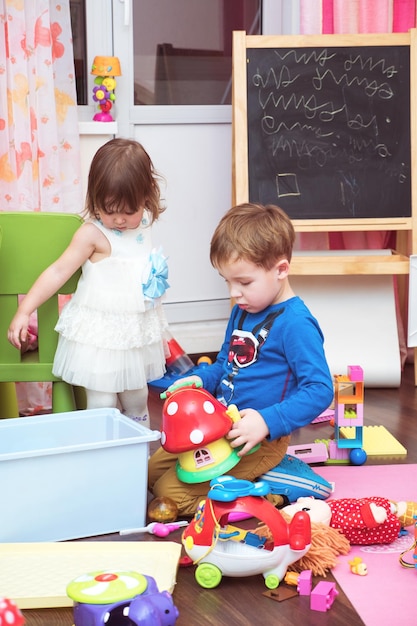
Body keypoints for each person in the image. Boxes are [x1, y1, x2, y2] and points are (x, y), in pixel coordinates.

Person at [148, 202, 334, 515]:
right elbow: (224, 366)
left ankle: (273, 484)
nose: (234, 292)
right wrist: (198, 379)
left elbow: (319, 389)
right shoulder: (243, 310)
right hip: (222, 425)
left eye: (244, 282)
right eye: (227, 281)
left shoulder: (296, 323)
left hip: (258, 438)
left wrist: (266, 421)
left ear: (281, 269)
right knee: (151, 473)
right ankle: (255, 477)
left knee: (168, 496)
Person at [8, 138, 169, 426]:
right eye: (109, 210)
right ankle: (100, 451)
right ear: (95, 199)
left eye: (128, 211)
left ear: (146, 197)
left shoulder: (143, 223)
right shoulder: (92, 234)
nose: (119, 219)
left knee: (137, 394)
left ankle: (138, 453)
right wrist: (24, 310)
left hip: (132, 333)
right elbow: (57, 272)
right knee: (103, 400)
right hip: (100, 335)